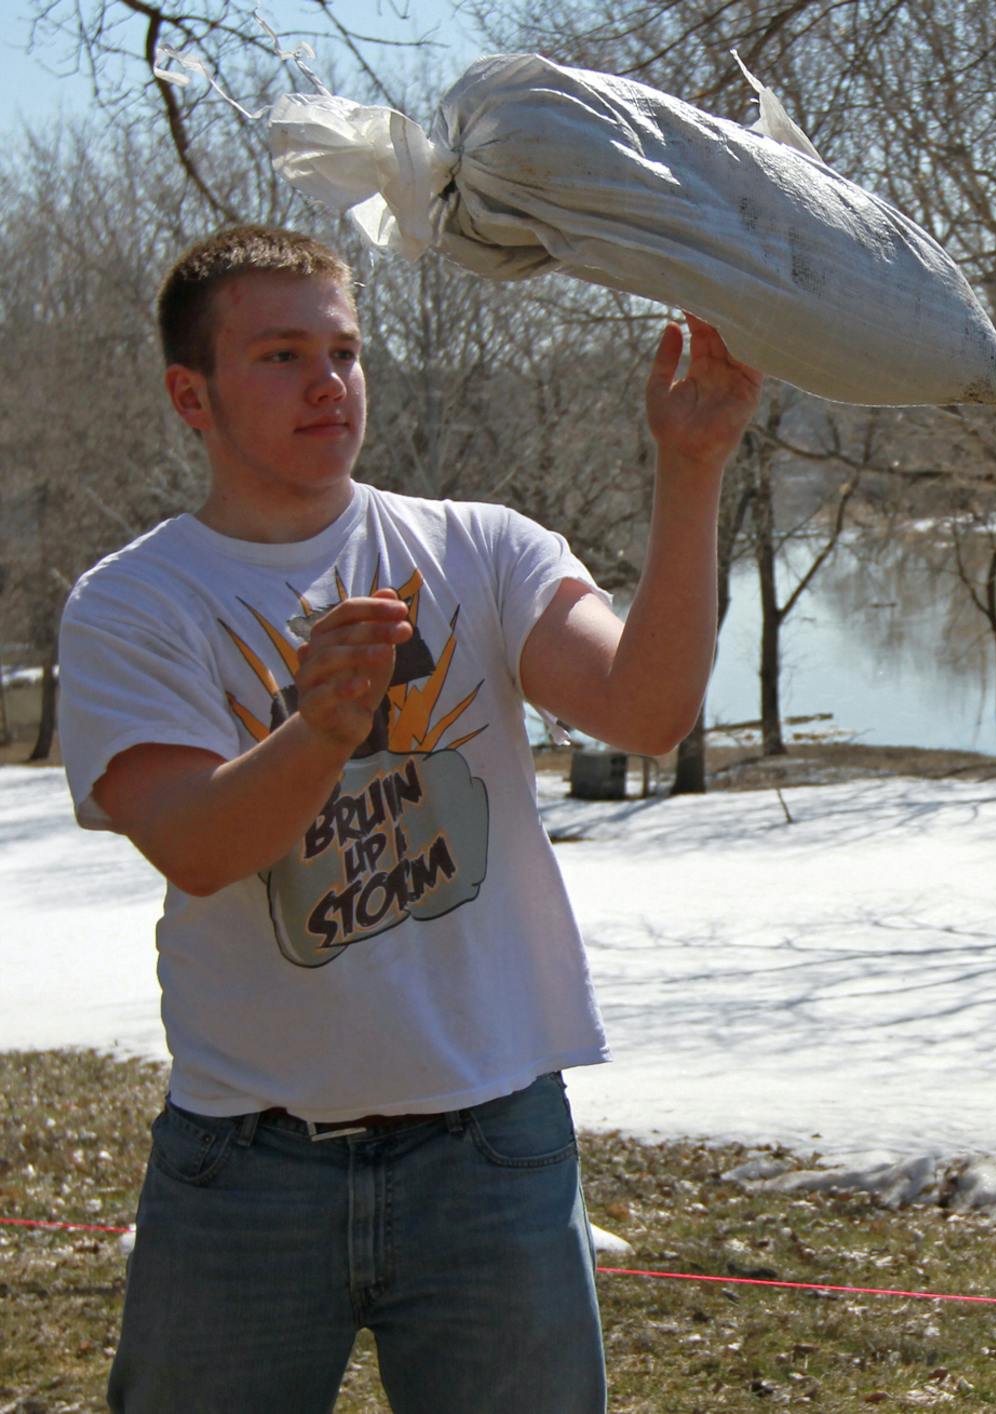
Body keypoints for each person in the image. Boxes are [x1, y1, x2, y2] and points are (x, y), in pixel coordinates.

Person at [58, 223, 761, 1412]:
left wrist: (690, 466)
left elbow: (645, 711)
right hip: (246, 1167)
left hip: (492, 1152)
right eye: (280, 355)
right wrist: (320, 728)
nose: (327, 381)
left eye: (343, 350)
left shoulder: (477, 549)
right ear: (193, 394)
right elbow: (198, 841)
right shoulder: (133, 604)